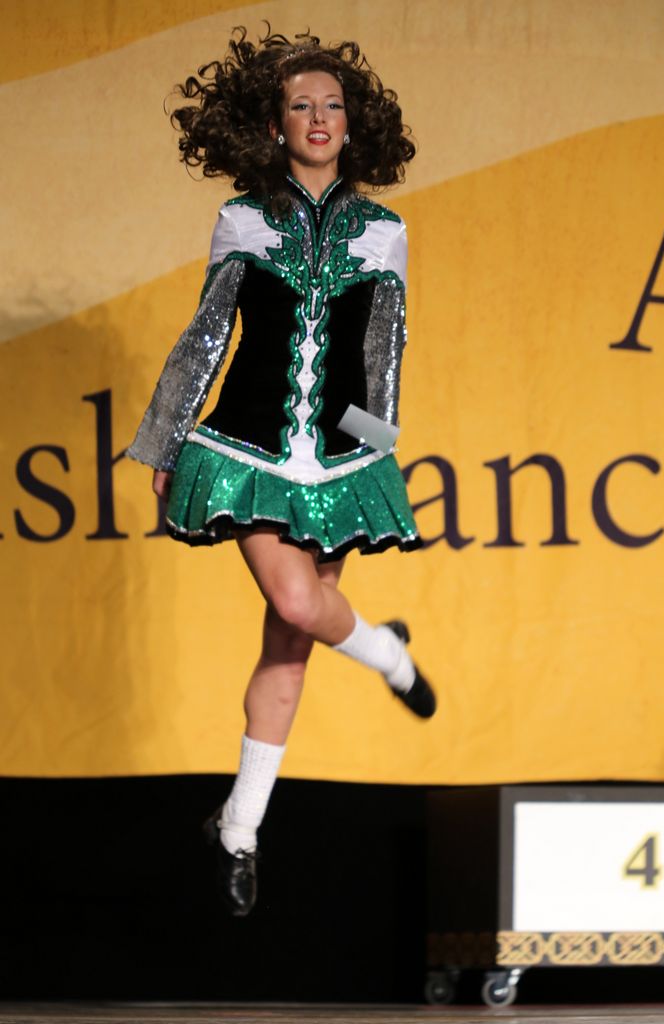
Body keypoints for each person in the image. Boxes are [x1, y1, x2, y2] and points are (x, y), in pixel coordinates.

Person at [127, 26, 436, 917]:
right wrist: (166, 443)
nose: (319, 117)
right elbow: (205, 336)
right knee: (300, 605)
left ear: (353, 123)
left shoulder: (384, 231)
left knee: (289, 649)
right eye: (301, 104)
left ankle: (238, 830)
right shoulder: (244, 218)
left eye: (332, 104)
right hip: (246, 451)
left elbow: (382, 355)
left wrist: (375, 453)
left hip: (338, 456)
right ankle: (385, 651)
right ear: (273, 125)